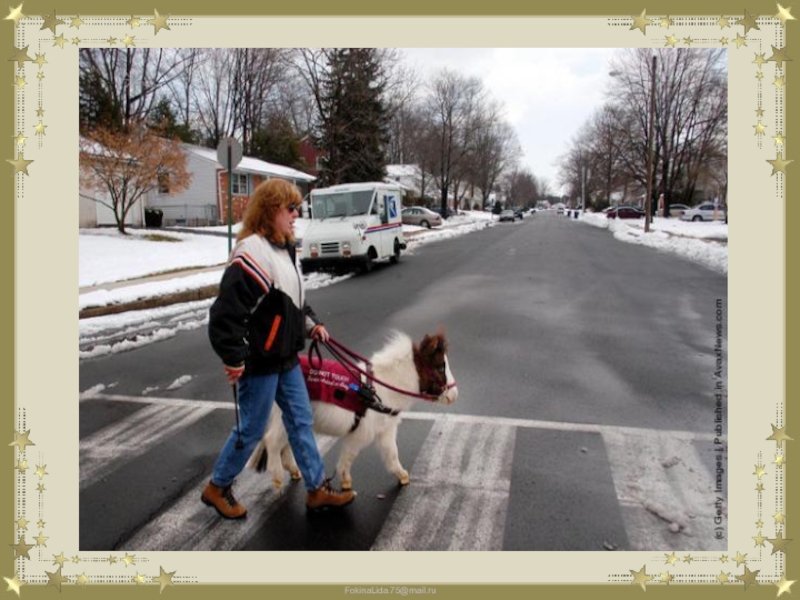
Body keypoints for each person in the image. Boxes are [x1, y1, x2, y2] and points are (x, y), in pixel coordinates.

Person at [202, 178, 355, 518]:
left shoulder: (283, 248)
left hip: (285, 358)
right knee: (253, 428)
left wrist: (311, 323)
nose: (296, 214)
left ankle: (317, 489)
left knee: (301, 420)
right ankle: (217, 486)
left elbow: (291, 301)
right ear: (271, 211)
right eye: (290, 208)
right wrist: (233, 356)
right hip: (259, 361)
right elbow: (225, 314)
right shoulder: (253, 251)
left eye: (297, 208)